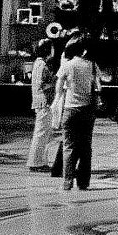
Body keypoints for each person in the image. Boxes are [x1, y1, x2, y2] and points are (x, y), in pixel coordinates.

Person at [57, 33, 99, 192]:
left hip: (70, 109)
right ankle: (83, 182)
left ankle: (67, 182)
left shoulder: (68, 65)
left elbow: (59, 85)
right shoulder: (93, 65)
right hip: (87, 110)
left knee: (69, 145)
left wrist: (58, 99)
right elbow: (98, 86)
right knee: (86, 146)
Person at [27, 38, 58, 173]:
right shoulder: (41, 65)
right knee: (41, 133)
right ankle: (36, 162)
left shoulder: (40, 63)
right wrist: (55, 82)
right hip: (44, 101)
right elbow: (42, 84)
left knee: (44, 133)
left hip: (42, 102)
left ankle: (41, 160)